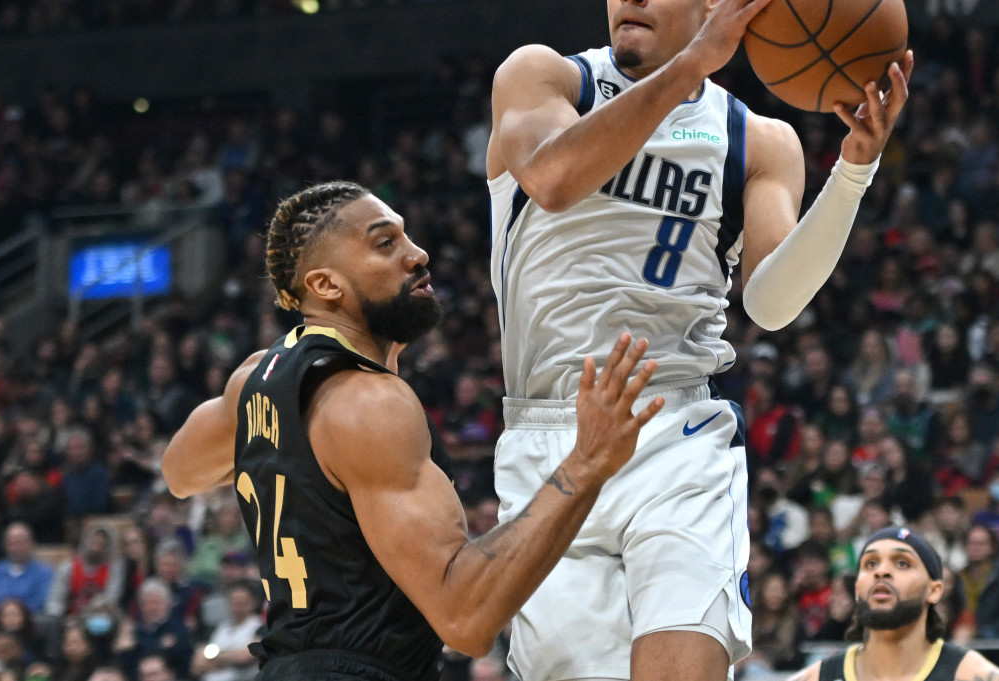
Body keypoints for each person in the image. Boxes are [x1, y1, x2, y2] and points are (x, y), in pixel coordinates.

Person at [488, 0, 913, 681]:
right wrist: (691, 66)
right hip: (550, 434)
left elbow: (772, 303)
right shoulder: (545, 79)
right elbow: (550, 179)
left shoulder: (759, 138)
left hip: (678, 434)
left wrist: (853, 168)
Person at [162, 181, 664, 681]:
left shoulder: (254, 381)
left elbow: (179, 473)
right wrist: (588, 462)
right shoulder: (369, 402)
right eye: (386, 243)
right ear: (326, 286)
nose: (418, 254)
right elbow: (464, 618)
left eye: (406, 237)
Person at [788, 527, 999, 681]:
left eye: (903, 563)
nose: (882, 571)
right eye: (871, 563)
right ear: (858, 590)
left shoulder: (971, 674)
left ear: (934, 590)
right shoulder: (819, 676)